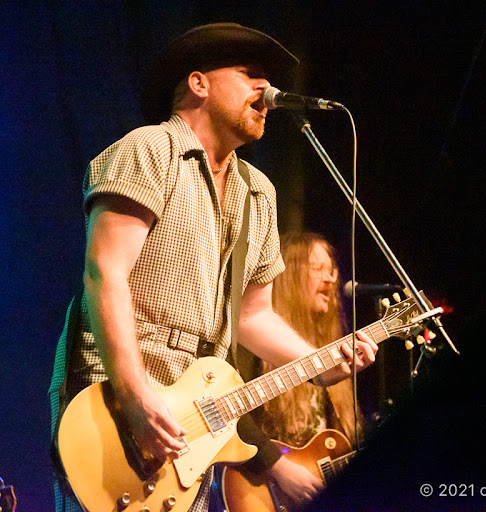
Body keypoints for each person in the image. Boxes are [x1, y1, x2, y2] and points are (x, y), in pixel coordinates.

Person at [48, 23, 377, 512]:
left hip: (196, 422)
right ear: (199, 83)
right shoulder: (150, 149)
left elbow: (252, 316)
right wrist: (137, 396)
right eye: (250, 75)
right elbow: (105, 273)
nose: (266, 90)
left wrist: (320, 360)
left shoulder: (257, 191)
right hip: (114, 396)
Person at [225, 231, 364, 507]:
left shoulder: (328, 349)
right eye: (317, 269)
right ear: (290, 277)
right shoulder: (258, 347)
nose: (329, 280)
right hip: (256, 488)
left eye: (333, 271)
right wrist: (278, 468)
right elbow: (228, 413)